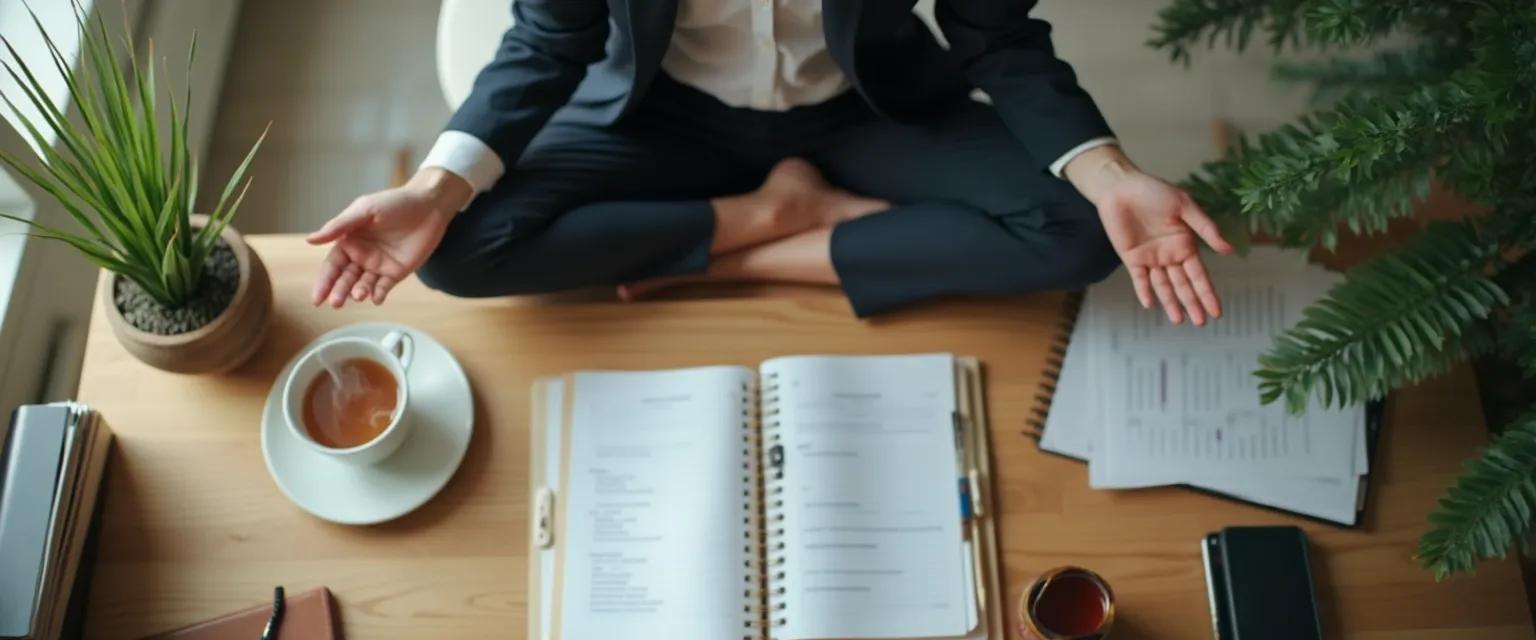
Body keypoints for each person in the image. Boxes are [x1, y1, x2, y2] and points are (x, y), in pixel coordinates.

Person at [308, 1, 1232, 324]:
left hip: (865, 112)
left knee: (1081, 229)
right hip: (665, 117)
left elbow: (998, 37)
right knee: (457, 250)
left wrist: (1109, 173)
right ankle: (771, 216)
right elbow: (548, 42)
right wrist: (434, 189)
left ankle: (757, 244)